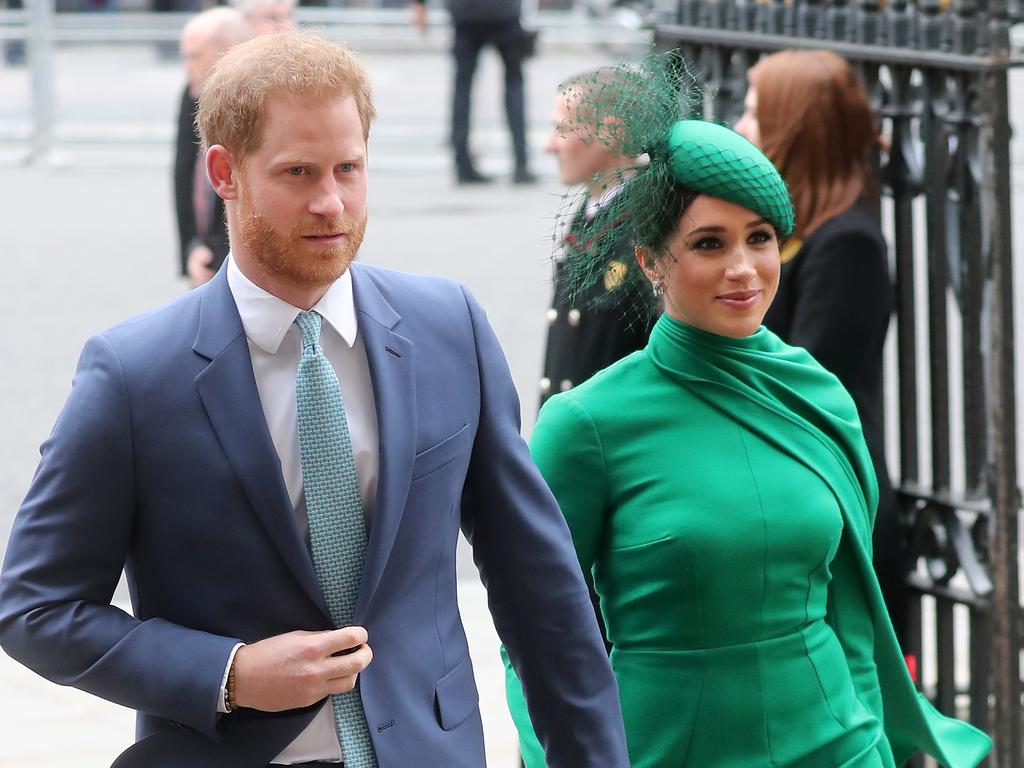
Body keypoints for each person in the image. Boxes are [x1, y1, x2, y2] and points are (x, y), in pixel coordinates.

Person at [0, 32, 628, 768]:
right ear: (223, 173)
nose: (331, 202)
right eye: (298, 172)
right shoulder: (133, 374)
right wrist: (227, 675)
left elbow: (541, 590)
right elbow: (35, 608)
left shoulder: (448, 327)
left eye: (348, 169)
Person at [503, 56, 991, 768]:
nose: (744, 268)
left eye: (760, 238)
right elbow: (534, 631)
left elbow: (852, 611)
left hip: (838, 746)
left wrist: (876, 741)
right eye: (710, 243)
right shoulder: (587, 424)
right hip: (666, 749)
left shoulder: (816, 392)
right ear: (650, 261)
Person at [734, 49, 908, 651]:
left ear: (795, 127)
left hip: (830, 501)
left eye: (756, 114)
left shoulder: (848, 242)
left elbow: (806, 382)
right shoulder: (794, 228)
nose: (741, 128)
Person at [537, 71, 651, 410]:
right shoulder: (592, 212)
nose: (549, 145)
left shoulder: (642, 226)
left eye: (563, 129)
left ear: (612, 132)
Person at [409, 0, 536, 185]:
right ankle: (521, 163)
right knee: (514, 84)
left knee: (462, 90)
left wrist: (419, 5)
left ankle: (462, 163)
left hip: (465, 13)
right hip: (504, 13)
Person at [174, 6, 251, 287]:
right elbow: (183, 174)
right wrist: (191, 248)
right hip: (205, 256)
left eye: (195, 56)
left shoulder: (265, 104)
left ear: (228, 52)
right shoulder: (192, 91)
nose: (187, 66)